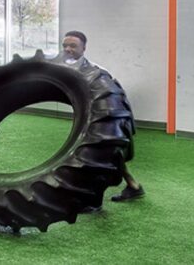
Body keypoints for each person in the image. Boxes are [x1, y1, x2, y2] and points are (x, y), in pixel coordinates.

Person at [61, 30, 145, 204]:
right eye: (65, 46)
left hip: (113, 117)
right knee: (113, 156)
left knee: (100, 155)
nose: (68, 49)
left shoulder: (97, 71)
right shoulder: (63, 68)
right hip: (94, 118)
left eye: (73, 46)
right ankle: (134, 186)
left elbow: (114, 97)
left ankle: (94, 201)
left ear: (84, 48)